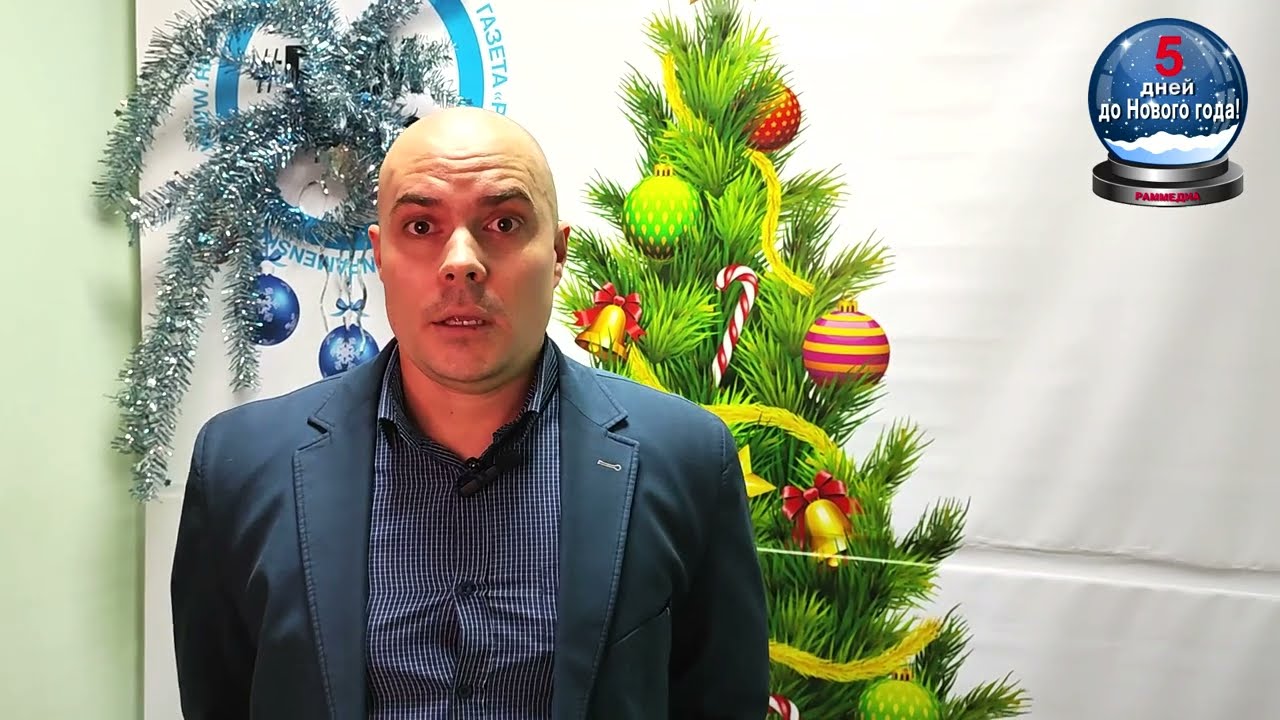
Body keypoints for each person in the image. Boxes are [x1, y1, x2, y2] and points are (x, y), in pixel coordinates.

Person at [170, 106, 771, 719]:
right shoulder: (242, 469)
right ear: (379, 256)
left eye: (504, 223)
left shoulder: (687, 462)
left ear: (558, 254)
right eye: (421, 226)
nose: (461, 261)